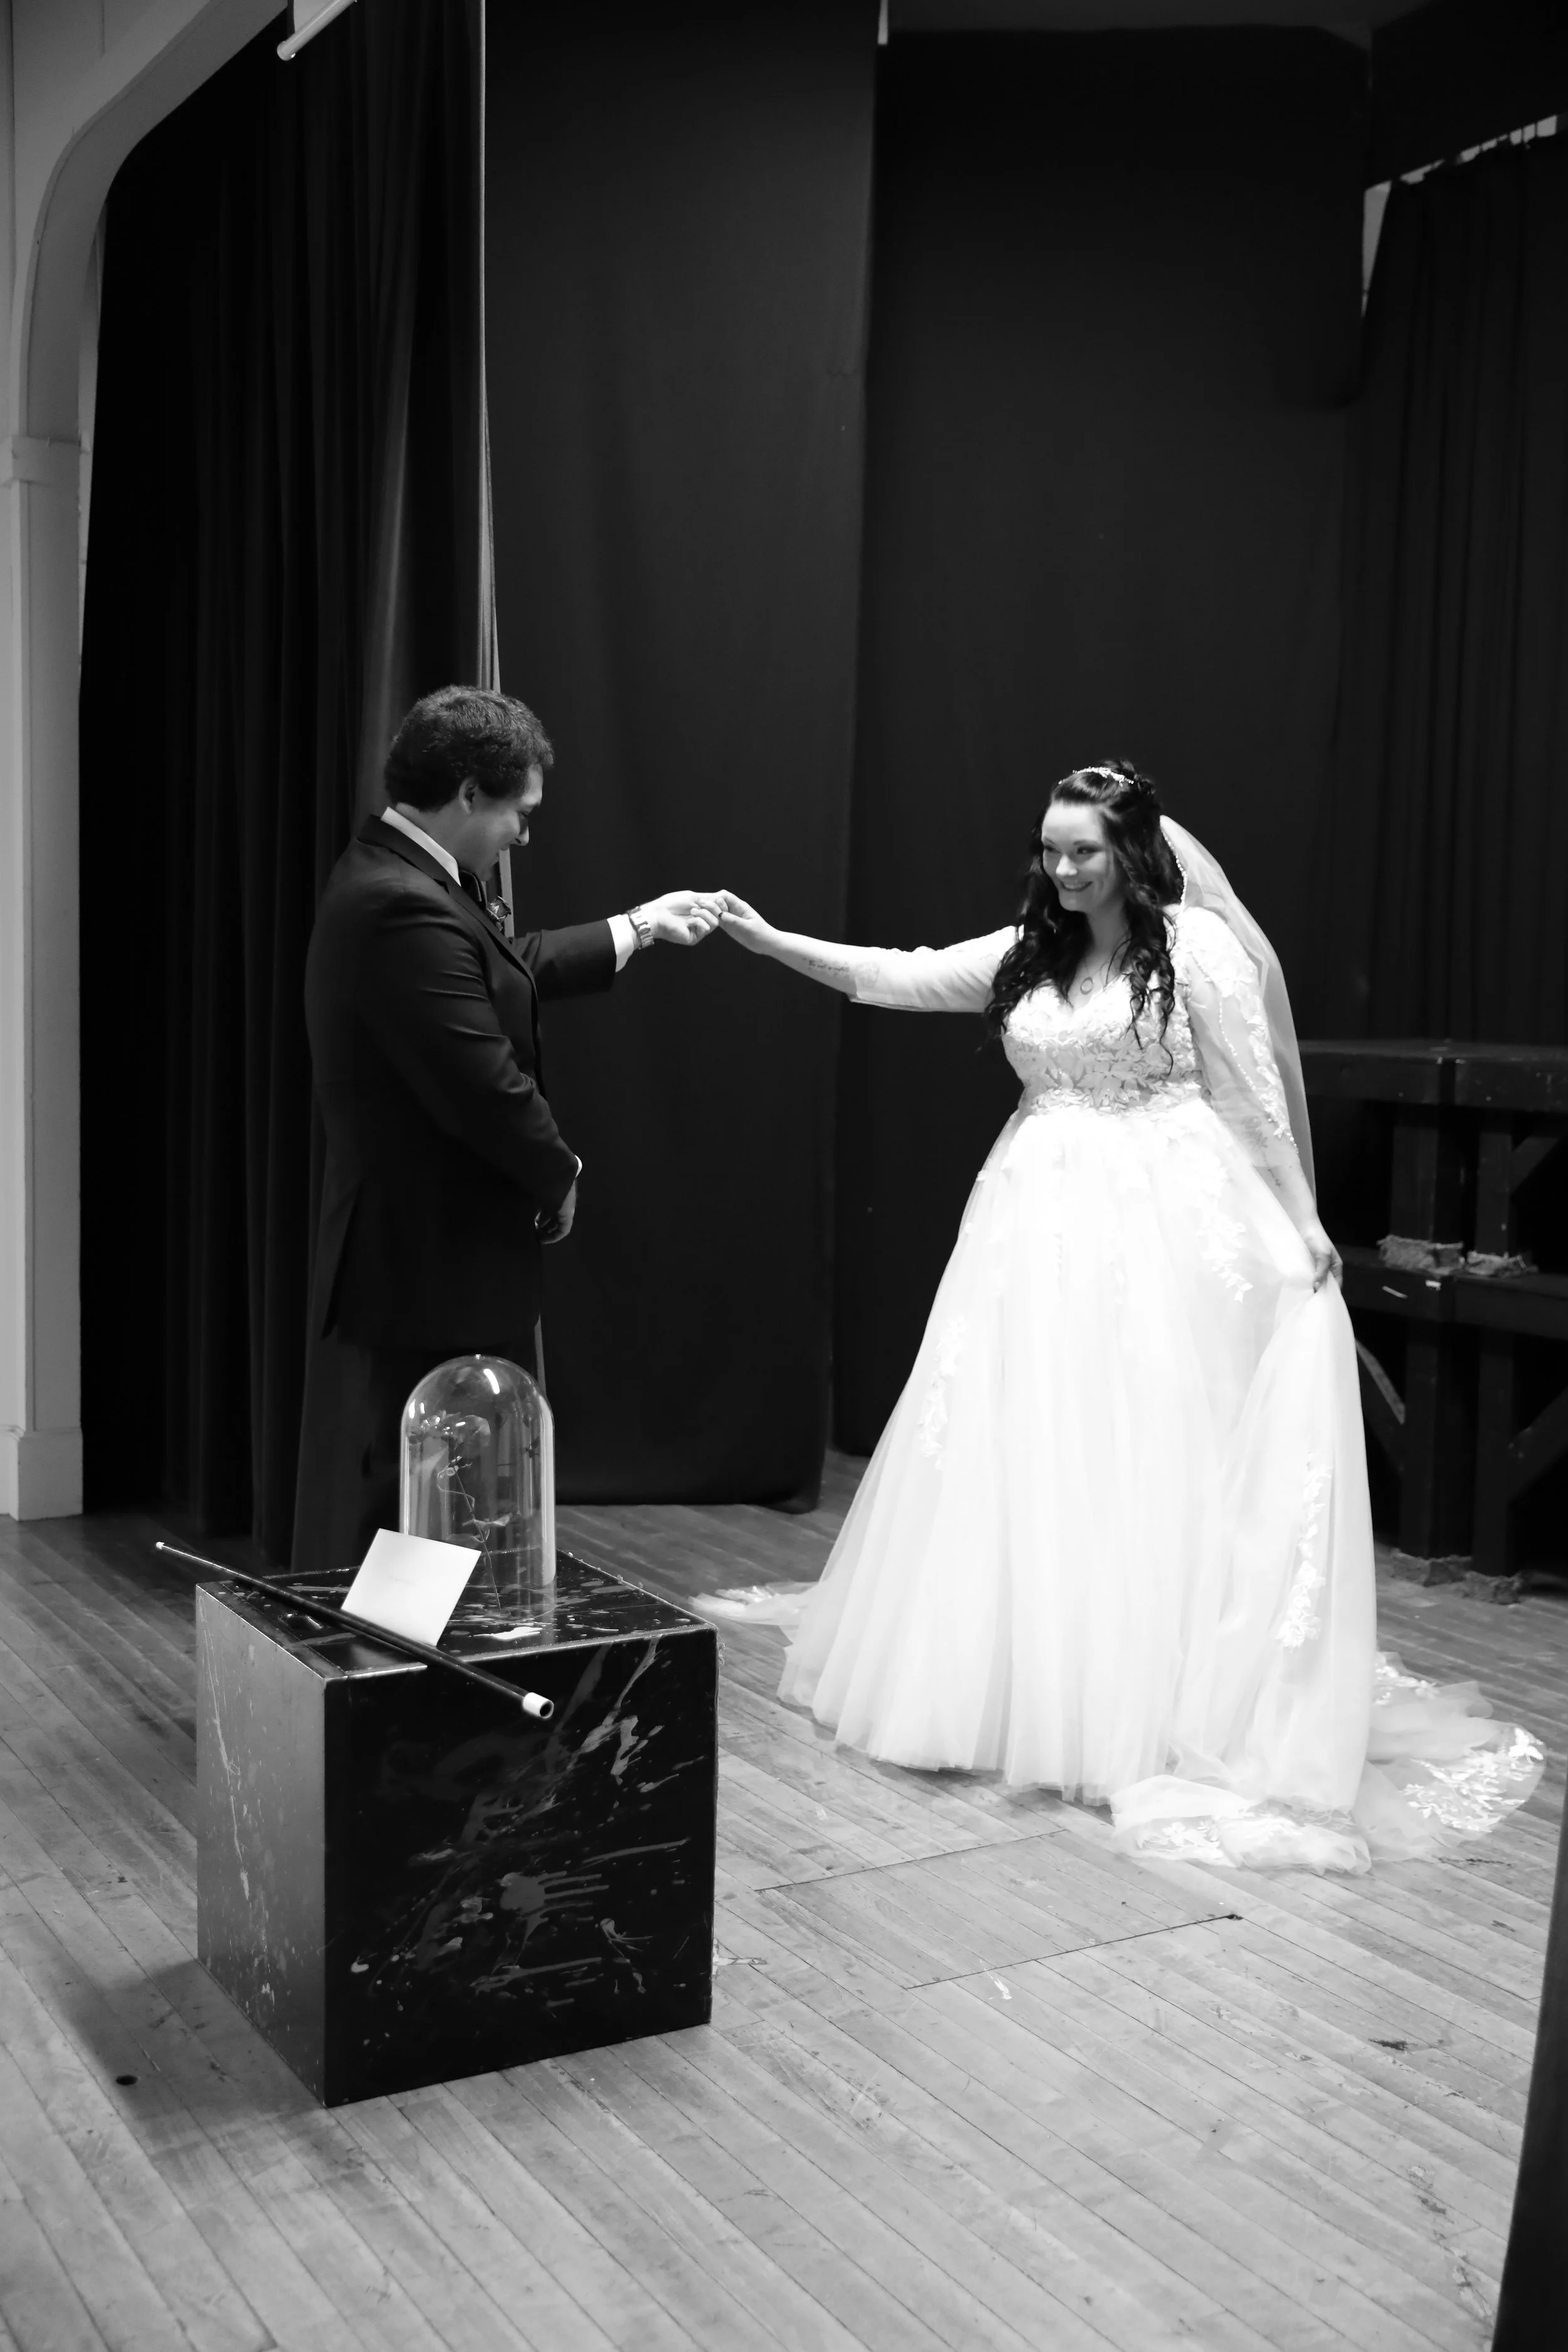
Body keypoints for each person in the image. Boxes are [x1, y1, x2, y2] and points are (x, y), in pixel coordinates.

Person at [713, 761, 1540, 1871]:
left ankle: (1153, 1697)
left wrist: (1302, 1221)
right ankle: (1030, 1682)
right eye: (1050, 849)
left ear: (1132, 852)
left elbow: (1252, 1093)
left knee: (1149, 1436)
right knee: (1030, 1441)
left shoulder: (1193, 951)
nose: (1061, 868)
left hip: (1164, 1213)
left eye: (1083, 851)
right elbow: (894, 978)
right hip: (1033, 1221)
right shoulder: (1031, 952)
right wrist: (768, 940)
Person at [293, 684, 723, 1574]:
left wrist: (638, 927)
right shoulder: (398, 902)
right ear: (466, 795)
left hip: (426, 1245)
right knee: (415, 1488)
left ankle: (427, 1670)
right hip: (425, 1251)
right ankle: (400, 1681)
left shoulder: (401, 879)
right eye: (517, 814)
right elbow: (479, 1079)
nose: (523, 835)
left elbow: (495, 972)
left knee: (437, 1484)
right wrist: (558, 1170)